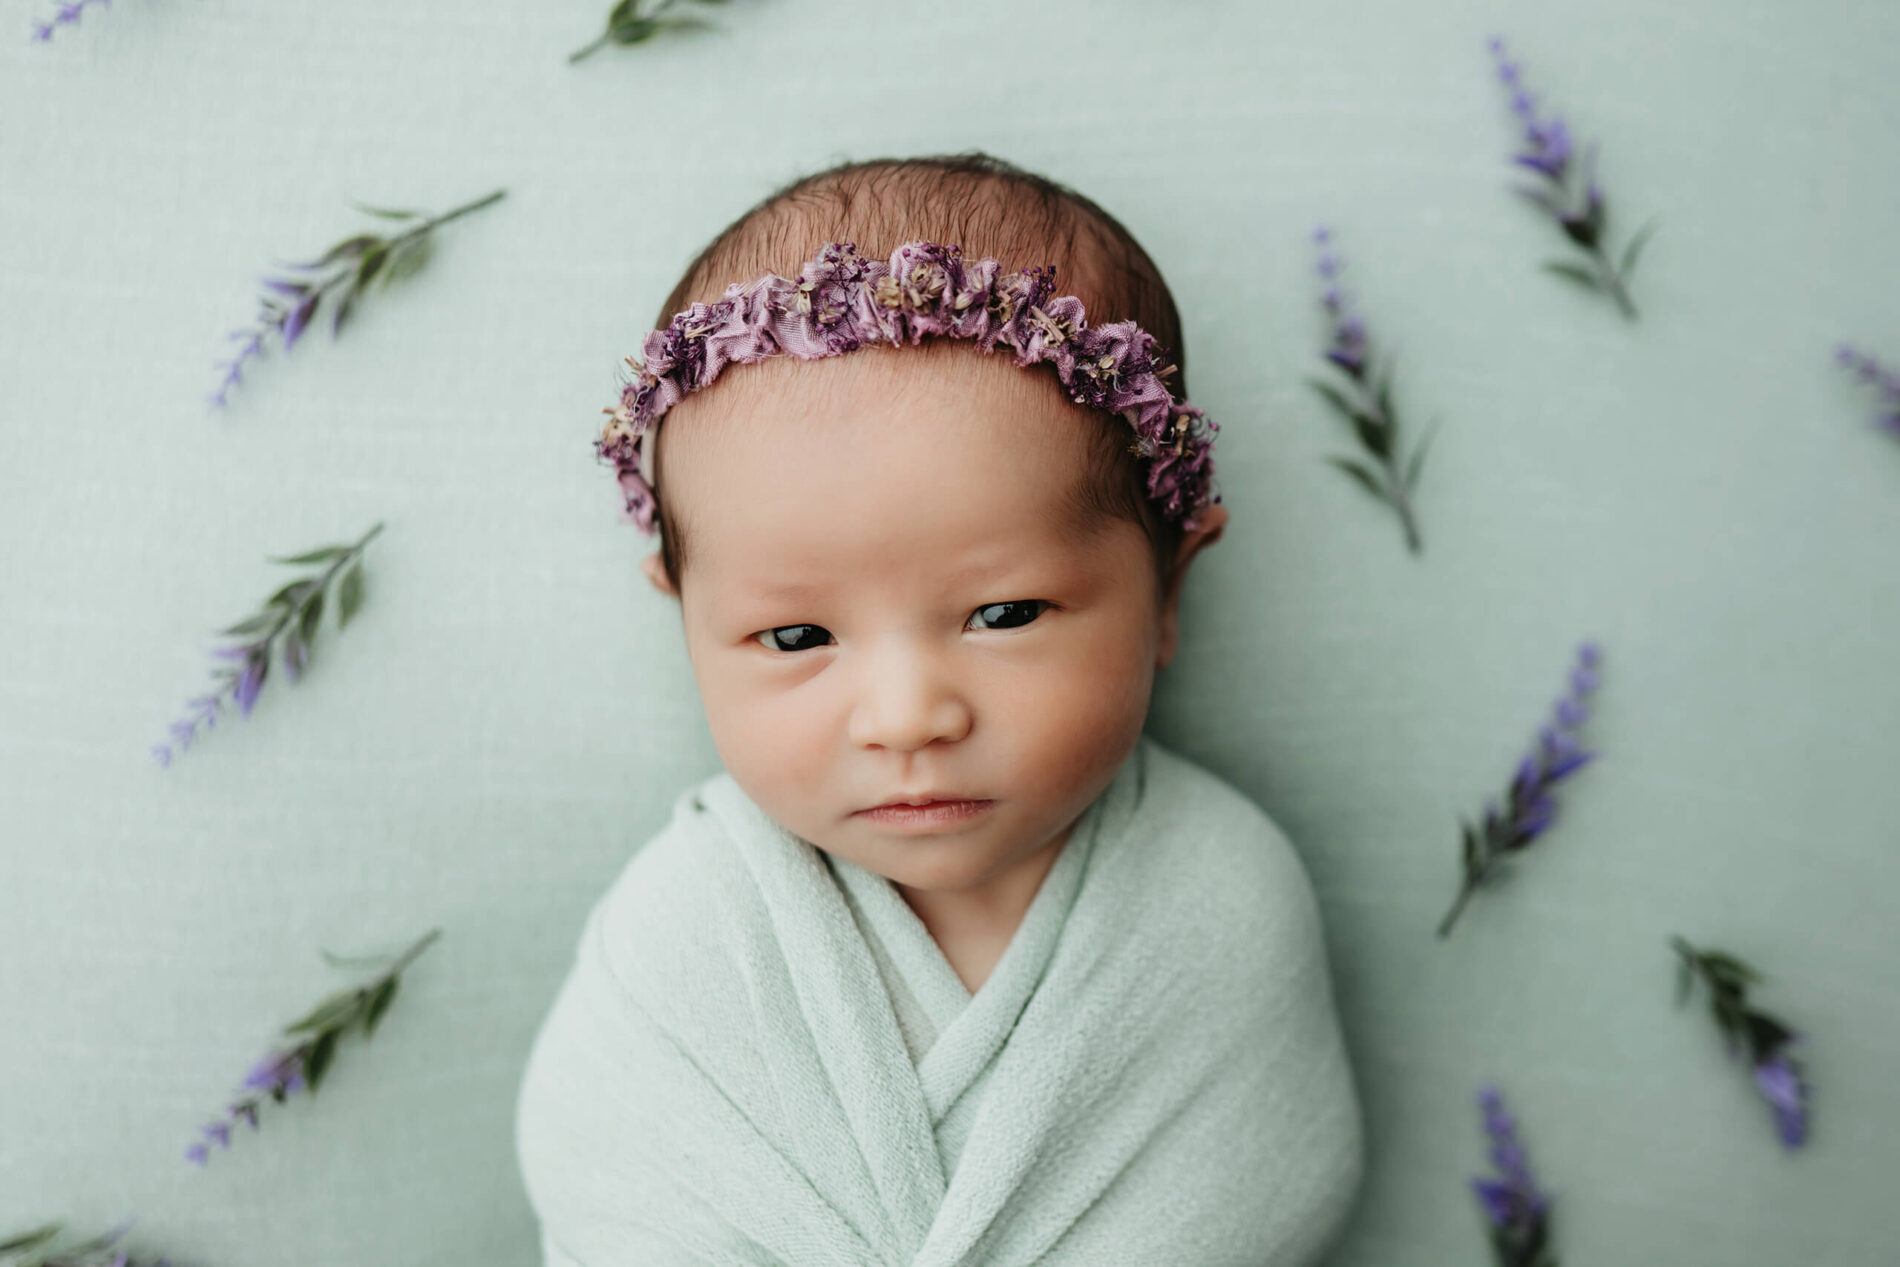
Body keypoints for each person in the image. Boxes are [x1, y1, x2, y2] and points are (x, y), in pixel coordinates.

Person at [515, 151, 1366, 1265]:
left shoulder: (1217, 895)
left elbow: (1261, 1193)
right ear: (683, 620)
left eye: (1005, 613)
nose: (906, 717)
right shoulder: (684, 929)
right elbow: (613, 1195)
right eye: (796, 637)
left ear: (1168, 588)